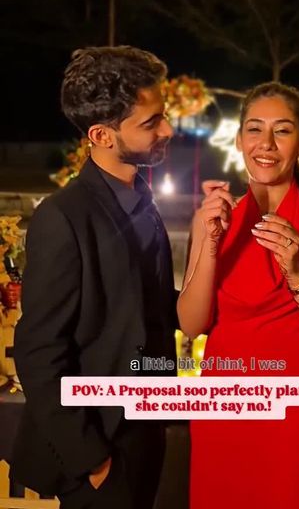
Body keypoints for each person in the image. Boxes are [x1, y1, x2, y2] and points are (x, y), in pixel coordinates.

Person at [177, 82, 299, 509]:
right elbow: (191, 324)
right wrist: (210, 244)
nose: (266, 143)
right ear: (239, 139)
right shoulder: (212, 216)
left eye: (283, 130)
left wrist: (296, 274)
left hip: (296, 418)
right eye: (255, 129)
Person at [11, 46, 178, 509]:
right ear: (102, 135)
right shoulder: (63, 217)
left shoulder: (142, 199)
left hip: (146, 427)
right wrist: (92, 459)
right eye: (151, 122)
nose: (168, 129)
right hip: (102, 445)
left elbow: (149, 304)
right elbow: (39, 350)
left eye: (164, 115)